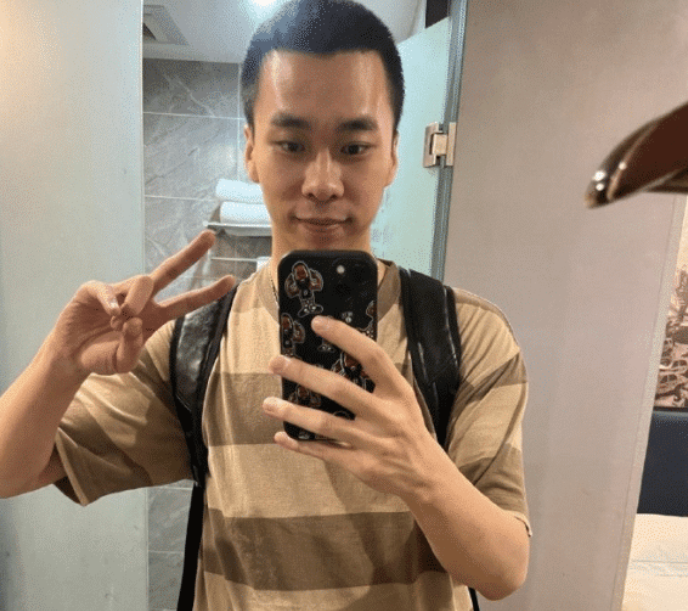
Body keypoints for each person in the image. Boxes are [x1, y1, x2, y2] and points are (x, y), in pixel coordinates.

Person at [0, 1, 530, 609]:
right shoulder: (194, 346)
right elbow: (11, 471)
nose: (322, 182)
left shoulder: (466, 335)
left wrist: (421, 471)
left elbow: (502, 571)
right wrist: (59, 362)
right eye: (292, 144)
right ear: (250, 150)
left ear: (392, 153)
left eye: (354, 147)